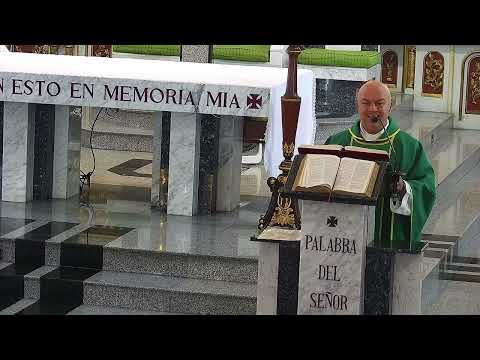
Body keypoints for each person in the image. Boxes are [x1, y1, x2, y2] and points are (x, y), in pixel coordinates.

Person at [325, 80, 436, 250]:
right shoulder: (338, 142)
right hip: (343, 240)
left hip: (389, 239)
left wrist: (403, 188)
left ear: (390, 106)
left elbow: (426, 188)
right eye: (365, 103)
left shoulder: (408, 146)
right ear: (357, 105)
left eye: (379, 103)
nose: (372, 110)